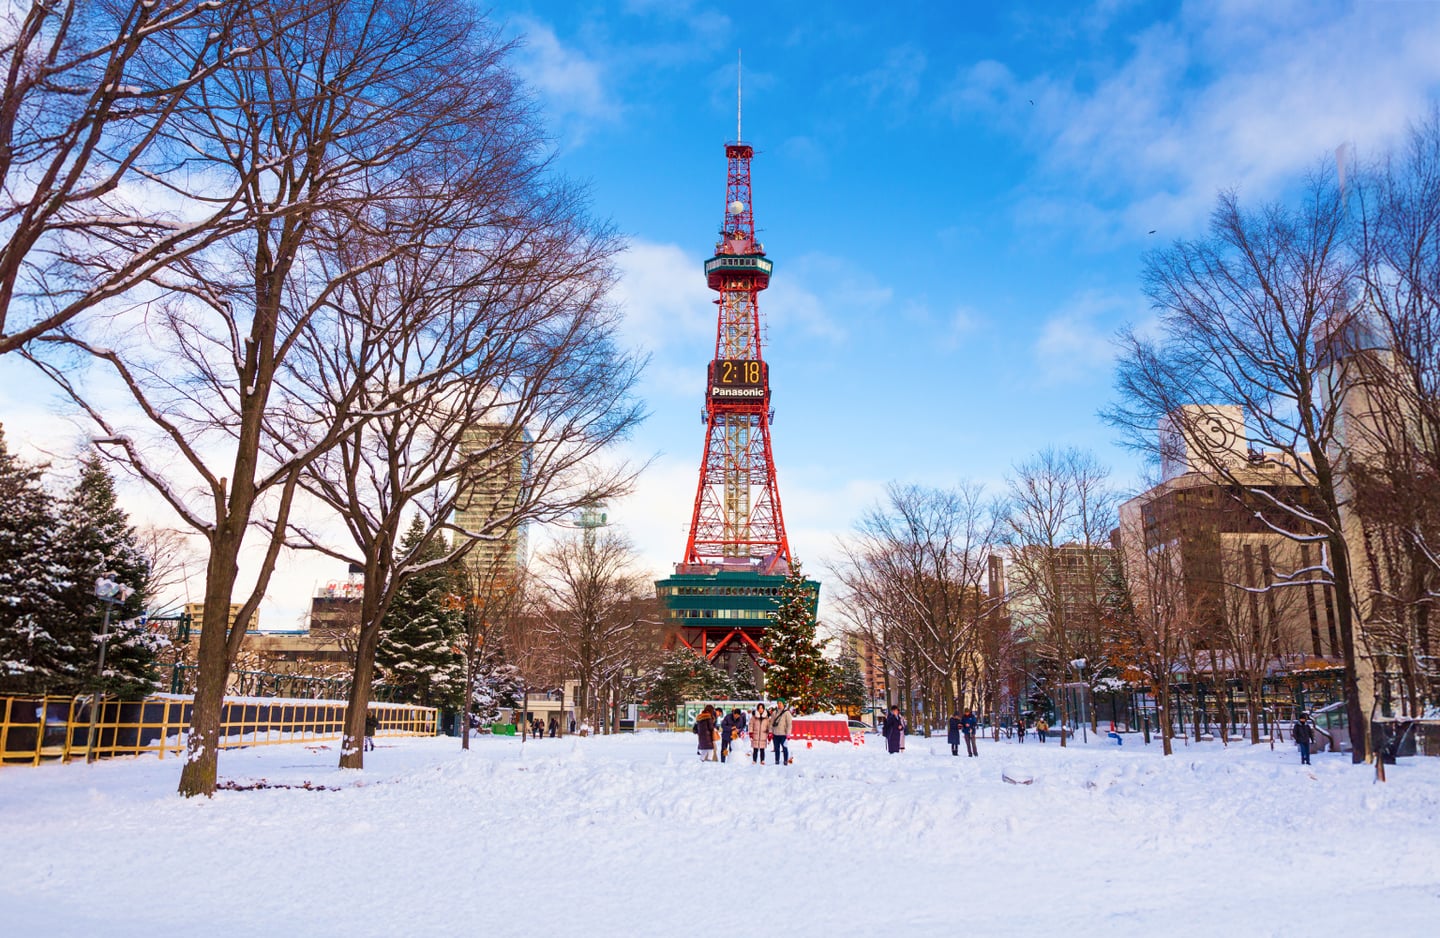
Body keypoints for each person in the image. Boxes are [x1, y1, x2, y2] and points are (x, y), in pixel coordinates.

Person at [770, 700, 793, 765]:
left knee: (784, 748)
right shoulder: (774, 712)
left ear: (783, 704)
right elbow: (771, 723)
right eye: (778, 703)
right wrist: (770, 732)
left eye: (780, 703)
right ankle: (777, 760)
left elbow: (789, 724)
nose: (779, 704)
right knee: (776, 748)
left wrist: (788, 733)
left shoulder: (787, 713)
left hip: (783, 734)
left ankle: (785, 760)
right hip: (775, 734)